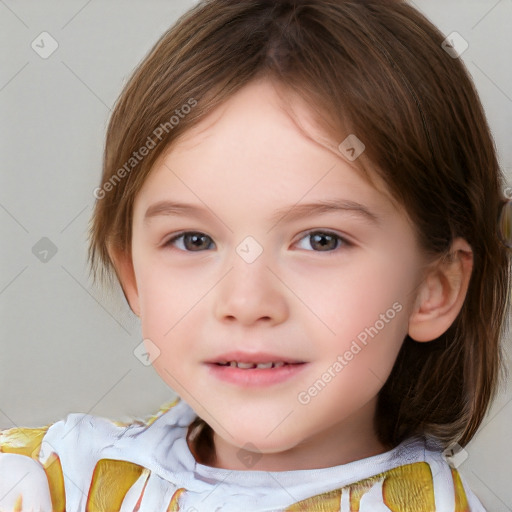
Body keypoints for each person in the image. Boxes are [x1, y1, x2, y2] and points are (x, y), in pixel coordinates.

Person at [1, 0, 511, 510]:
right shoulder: (50, 481)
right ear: (133, 275)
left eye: (321, 240)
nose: (246, 302)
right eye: (193, 240)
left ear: (433, 290)